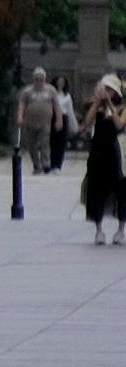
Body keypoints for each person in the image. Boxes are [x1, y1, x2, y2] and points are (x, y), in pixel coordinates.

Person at [81, 78, 124, 243]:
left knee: (120, 190)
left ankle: (121, 229)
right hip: (98, 152)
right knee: (96, 189)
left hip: (115, 152)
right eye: (105, 89)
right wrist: (98, 102)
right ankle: (98, 230)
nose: (107, 92)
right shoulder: (97, 107)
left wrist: (111, 106)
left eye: (110, 89)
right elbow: (87, 121)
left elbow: (119, 125)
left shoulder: (121, 108)